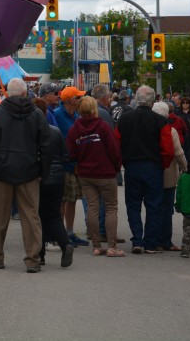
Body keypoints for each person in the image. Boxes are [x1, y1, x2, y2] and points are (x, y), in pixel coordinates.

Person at [0, 78, 52, 272]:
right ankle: (32, 259)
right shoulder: (37, 114)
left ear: (7, 94)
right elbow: (46, 145)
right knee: (30, 216)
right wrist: (42, 171)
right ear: (24, 93)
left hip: (1, 170)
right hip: (29, 171)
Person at [116, 85, 172, 255]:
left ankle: (137, 239)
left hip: (131, 165)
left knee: (133, 204)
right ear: (153, 101)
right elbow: (167, 149)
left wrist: (122, 163)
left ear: (136, 100)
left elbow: (116, 143)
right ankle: (150, 242)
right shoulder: (161, 121)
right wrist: (163, 164)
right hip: (153, 166)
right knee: (154, 205)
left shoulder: (124, 119)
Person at [67, 96, 122, 257]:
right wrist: (116, 167)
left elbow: (70, 153)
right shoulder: (103, 127)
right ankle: (111, 246)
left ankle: (96, 246)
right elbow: (114, 150)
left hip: (85, 173)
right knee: (111, 207)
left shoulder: (74, 129)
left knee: (92, 208)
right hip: (105, 172)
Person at [34, 97, 72, 266]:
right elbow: (65, 155)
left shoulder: (33, 133)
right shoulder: (55, 131)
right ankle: (65, 244)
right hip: (57, 178)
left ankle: (40, 254)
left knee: (39, 216)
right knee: (54, 215)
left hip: (40, 178)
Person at [54, 86, 88, 247]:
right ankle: (60, 234)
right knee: (62, 199)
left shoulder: (75, 114)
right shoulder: (57, 115)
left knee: (72, 199)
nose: (80, 100)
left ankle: (69, 231)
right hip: (64, 164)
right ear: (71, 100)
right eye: (78, 97)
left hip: (75, 163)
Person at [153, 101, 188, 252]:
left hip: (151, 174)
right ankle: (165, 240)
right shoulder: (170, 130)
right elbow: (178, 153)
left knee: (153, 207)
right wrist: (185, 168)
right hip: (167, 174)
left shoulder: (148, 129)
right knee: (166, 208)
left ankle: (152, 238)